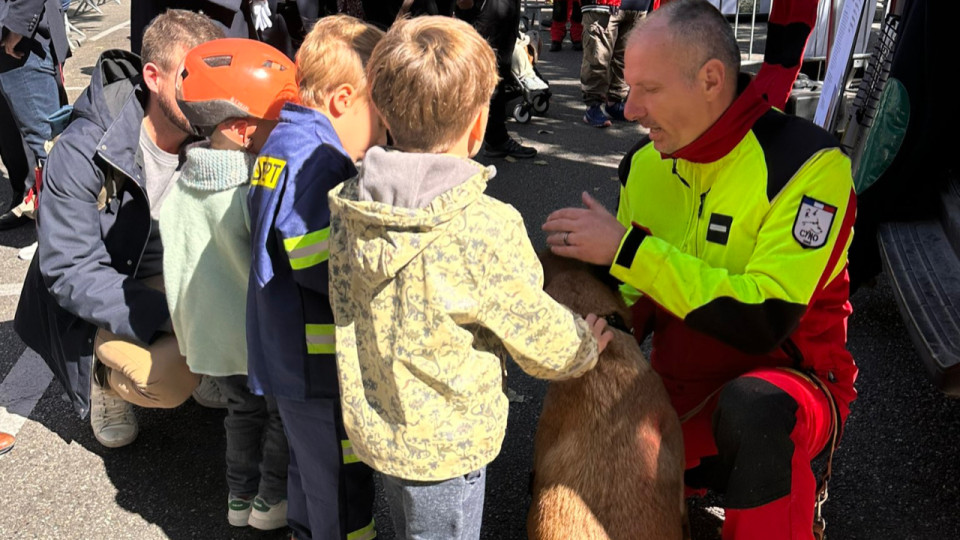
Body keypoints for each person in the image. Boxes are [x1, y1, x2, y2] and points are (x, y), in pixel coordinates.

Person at [543, 2, 857, 538]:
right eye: (628, 87)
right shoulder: (643, 164)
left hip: (789, 387)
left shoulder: (809, 165)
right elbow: (633, 298)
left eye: (649, 89)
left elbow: (765, 318)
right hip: (680, 396)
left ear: (711, 79)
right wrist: (587, 325)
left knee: (754, 411)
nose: (629, 109)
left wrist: (627, 249)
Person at [327, 16, 612, 539]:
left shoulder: (350, 204)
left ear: (383, 113)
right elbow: (531, 327)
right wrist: (582, 347)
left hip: (380, 421)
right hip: (448, 444)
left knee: (408, 518)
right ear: (479, 127)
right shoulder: (484, 226)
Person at [13, 10, 225, 449]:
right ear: (152, 76)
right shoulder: (84, 149)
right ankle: (103, 380)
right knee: (168, 378)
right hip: (96, 300)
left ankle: (208, 361)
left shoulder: (208, 130)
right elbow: (71, 272)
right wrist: (171, 318)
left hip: (171, 274)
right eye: (190, 77)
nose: (206, 94)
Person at [246, 15, 384, 540]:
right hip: (318, 361)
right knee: (343, 486)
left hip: (284, 352)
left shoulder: (281, 142)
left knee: (309, 472)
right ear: (344, 99)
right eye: (380, 113)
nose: (383, 131)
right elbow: (316, 264)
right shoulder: (320, 160)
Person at [159, 38, 298, 530]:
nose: (282, 129)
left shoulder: (178, 187)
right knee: (279, 415)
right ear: (242, 131)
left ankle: (239, 499)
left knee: (241, 414)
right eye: (275, 121)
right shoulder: (251, 192)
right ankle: (271, 501)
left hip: (212, 343)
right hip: (259, 339)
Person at [0, 0, 68, 230]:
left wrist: (17, 26)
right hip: (10, 46)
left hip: (23, 45)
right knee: (13, 143)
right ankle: (33, 207)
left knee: (47, 146)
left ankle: (61, 235)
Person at [580, 0, 652, 128]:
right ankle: (593, 105)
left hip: (638, 6)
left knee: (627, 57)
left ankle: (615, 101)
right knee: (598, 56)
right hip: (602, 6)